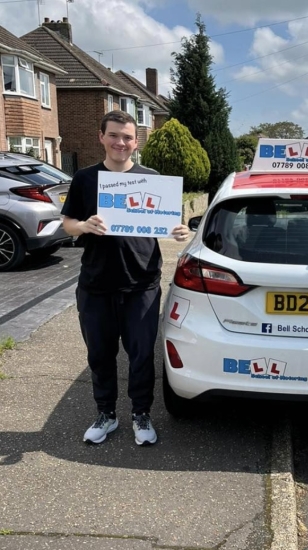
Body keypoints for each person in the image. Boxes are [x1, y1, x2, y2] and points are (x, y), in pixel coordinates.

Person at [61, 110, 189, 446]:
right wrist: (83, 226)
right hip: (96, 284)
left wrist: (179, 231)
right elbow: (68, 222)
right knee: (100, 354)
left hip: (141, 284)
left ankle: (140, 414)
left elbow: (168, 223)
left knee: (142, 355)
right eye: (114, 135)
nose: (121, 142)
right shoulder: (86, 179)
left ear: (136, 141)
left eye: (128, 137)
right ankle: (106, 414)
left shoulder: (152, 179)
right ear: (101, 137)